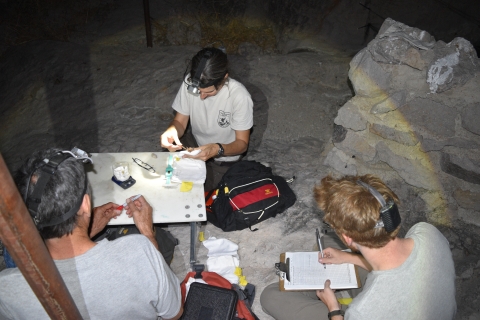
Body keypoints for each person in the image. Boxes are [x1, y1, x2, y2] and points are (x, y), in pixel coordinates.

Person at [0, 148, 183, 320]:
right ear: (86, 205)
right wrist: (147, 233)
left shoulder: (6, 288)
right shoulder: (139, 252)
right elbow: (174, 313)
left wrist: (87, 229)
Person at [260, 174, 456, 320]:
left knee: (270, 296)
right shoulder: (427, 231)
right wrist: (348, 257)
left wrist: (333, 308)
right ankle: (326, 282)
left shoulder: (362, 312)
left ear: (347, 238)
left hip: (371, 309)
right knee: (328, 244)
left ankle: (323, 293)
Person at [160, 47, 254, 191]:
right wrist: (171, 131)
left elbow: (242, 144)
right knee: (168, 178)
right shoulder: (190, 82)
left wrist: (217, 149)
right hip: (195, 144)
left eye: (209, 92)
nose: (202, 97)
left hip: (223, 157)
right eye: (198, 91)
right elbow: (180, 121)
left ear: (224, 78)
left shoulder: (240, 97)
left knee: (201, 193)